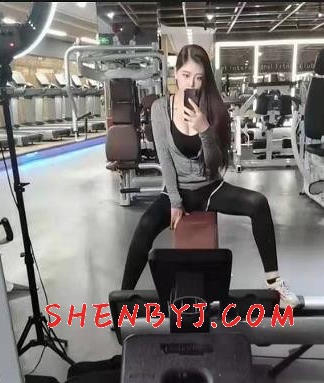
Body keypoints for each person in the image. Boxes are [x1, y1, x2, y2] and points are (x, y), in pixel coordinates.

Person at [121, 44, 299, 308]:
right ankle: (123, 299)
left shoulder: (213, 109)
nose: (191, 83)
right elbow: (165, 160)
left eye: (198, 77)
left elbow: (214, 165)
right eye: (185, 75)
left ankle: (275, 283)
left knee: (258, 203)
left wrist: (204, 129)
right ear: (175, 73)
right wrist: (175, 202)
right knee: (145, 225)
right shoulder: (160, 108)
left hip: (209, 189)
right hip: (176, 191)